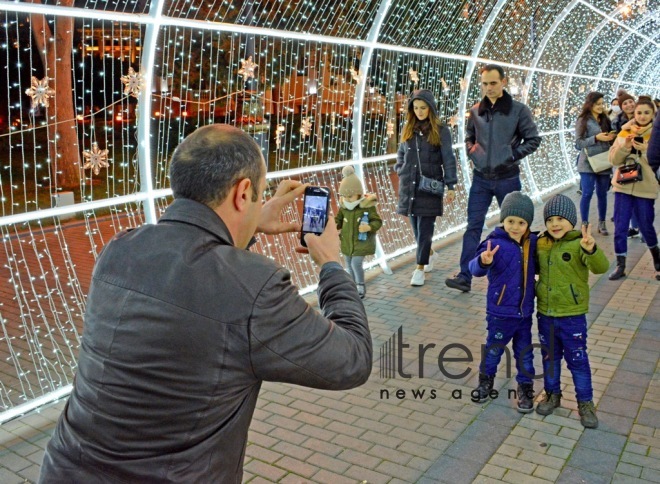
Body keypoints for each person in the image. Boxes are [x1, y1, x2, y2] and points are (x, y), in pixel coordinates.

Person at [39, 124, 373, 483]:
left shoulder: (120, 250)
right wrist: (331, 265)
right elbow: (351, 359)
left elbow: (201, 277)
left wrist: (247, 227)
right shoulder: (254, 288)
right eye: (259, 196)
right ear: (243, 193)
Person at [446, 64, 541, 293]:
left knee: (515, 227)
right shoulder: (476, 110)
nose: (488, 88)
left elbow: (533, 140)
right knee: (473, 227)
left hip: (507, 178)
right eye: (485, 83)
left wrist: (510, 156)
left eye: (493, 83)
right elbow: (469, 136)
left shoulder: (518, 110)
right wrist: (473, 152)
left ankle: (524, 273)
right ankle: (465, 275)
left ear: (503, 82)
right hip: (481, 179)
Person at [535, 194, 609, 429]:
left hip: (572, 315)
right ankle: (552, 394)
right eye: (550, 220)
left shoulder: (579, 244)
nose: (555, 224)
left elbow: (601, 267)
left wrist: (591, 249)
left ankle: (586, 403)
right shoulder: (541, 243)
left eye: (560, 219)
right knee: (550, 358)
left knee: (578, 360)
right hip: (546, 314)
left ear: (572, 221)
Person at [468, 191, 537, 413]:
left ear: (527, 224)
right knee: (493, 350)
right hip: (500, 313)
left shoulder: (531, 244)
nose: (515, 227)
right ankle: (485, 382)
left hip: (524, 314)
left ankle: (525, 389)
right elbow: (474, 269)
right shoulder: (493, 243)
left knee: (525, 353)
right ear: (502, 220)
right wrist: (483, 261)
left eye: (521, 222)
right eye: (510, 221)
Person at [395, 89, 457, 287]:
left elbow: (448, 158)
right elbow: (401, 153)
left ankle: (419, 268)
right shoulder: (408, 129)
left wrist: (451, 185)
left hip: (429, 187)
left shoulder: (441, 130)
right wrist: (401, 168)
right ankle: (429, 253)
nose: (419, 112)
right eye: (416, 108)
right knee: (416, 230)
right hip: (409, 186)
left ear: (431, 108)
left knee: (425, 229)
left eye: (423, 108)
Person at [608, 99, 659, 281]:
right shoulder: (625, 132)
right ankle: (621, 265)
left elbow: (655, 163)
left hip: (645, 188)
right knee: (620, 226)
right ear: (634, 114)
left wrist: (646, 150)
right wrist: (625, 147)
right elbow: (613, 160)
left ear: (653, 114)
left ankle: (657, 259)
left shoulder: (656, 134)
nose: (642, 116)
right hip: (623, 185)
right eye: (639, 113)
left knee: (646, 225)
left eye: (647, 112)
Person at [336, 165, 383, 298]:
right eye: (345, 196)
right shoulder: (344, 207)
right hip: (347, 242)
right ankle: (351, 286)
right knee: (348, 264)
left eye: (350, 196)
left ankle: (360, 284)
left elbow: (377, 221)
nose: (347, 199)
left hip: (361, 242)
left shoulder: (366, 207)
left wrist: (369, 227)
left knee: (355, 263)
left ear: (359, 194)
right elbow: (338, 220)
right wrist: (334, 225)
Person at [574, 91, 616, 235]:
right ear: (590, 104)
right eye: (597, 104)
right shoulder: (583, 120)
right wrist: (596, 138)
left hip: (604, 161)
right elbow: (578, 143)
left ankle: (602, 223)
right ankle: (584, 224)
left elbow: (611, 138)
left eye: (602, 104)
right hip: (587, 163)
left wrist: (611, 137)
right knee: (586, 193)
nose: (600, 106)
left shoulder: (605, 119)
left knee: (602, 194)